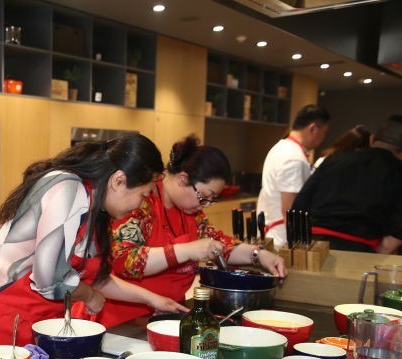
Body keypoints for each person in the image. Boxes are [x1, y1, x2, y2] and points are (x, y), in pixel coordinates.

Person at [0, 134, 188, 359]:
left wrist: (153, 299)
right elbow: (49, 280)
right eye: (144, 194)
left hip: (38, 327)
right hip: (4, 327)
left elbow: (95, 278)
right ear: (118, 180)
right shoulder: (67, 188)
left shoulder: (94, 205)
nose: (141, 205)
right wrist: (88, 295)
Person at [82, 135, 287, 327]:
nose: (205, 205)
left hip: (166, 314)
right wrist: (187, 250)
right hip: (123, 321)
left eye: (210, 199)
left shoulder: (191, 211)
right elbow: (127, 261)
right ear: (182, 179)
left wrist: (258, 255)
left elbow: (218, 245)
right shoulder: (141, 199)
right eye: (204, 196)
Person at [292, 115, 402, 254]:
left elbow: (300, 204)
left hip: (314, 244)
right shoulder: (398, 172)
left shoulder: (334, 160)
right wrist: (377, 254)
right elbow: (397, 231)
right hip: (361, 249)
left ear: (372, 139)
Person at [257, 104, 331, 248]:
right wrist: (300, 244)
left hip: (274, 233)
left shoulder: (281, 147)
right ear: (313, 128)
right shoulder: (294, 158)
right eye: (325, 132)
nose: (324, 137)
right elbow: (290, 210)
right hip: (283, 238)